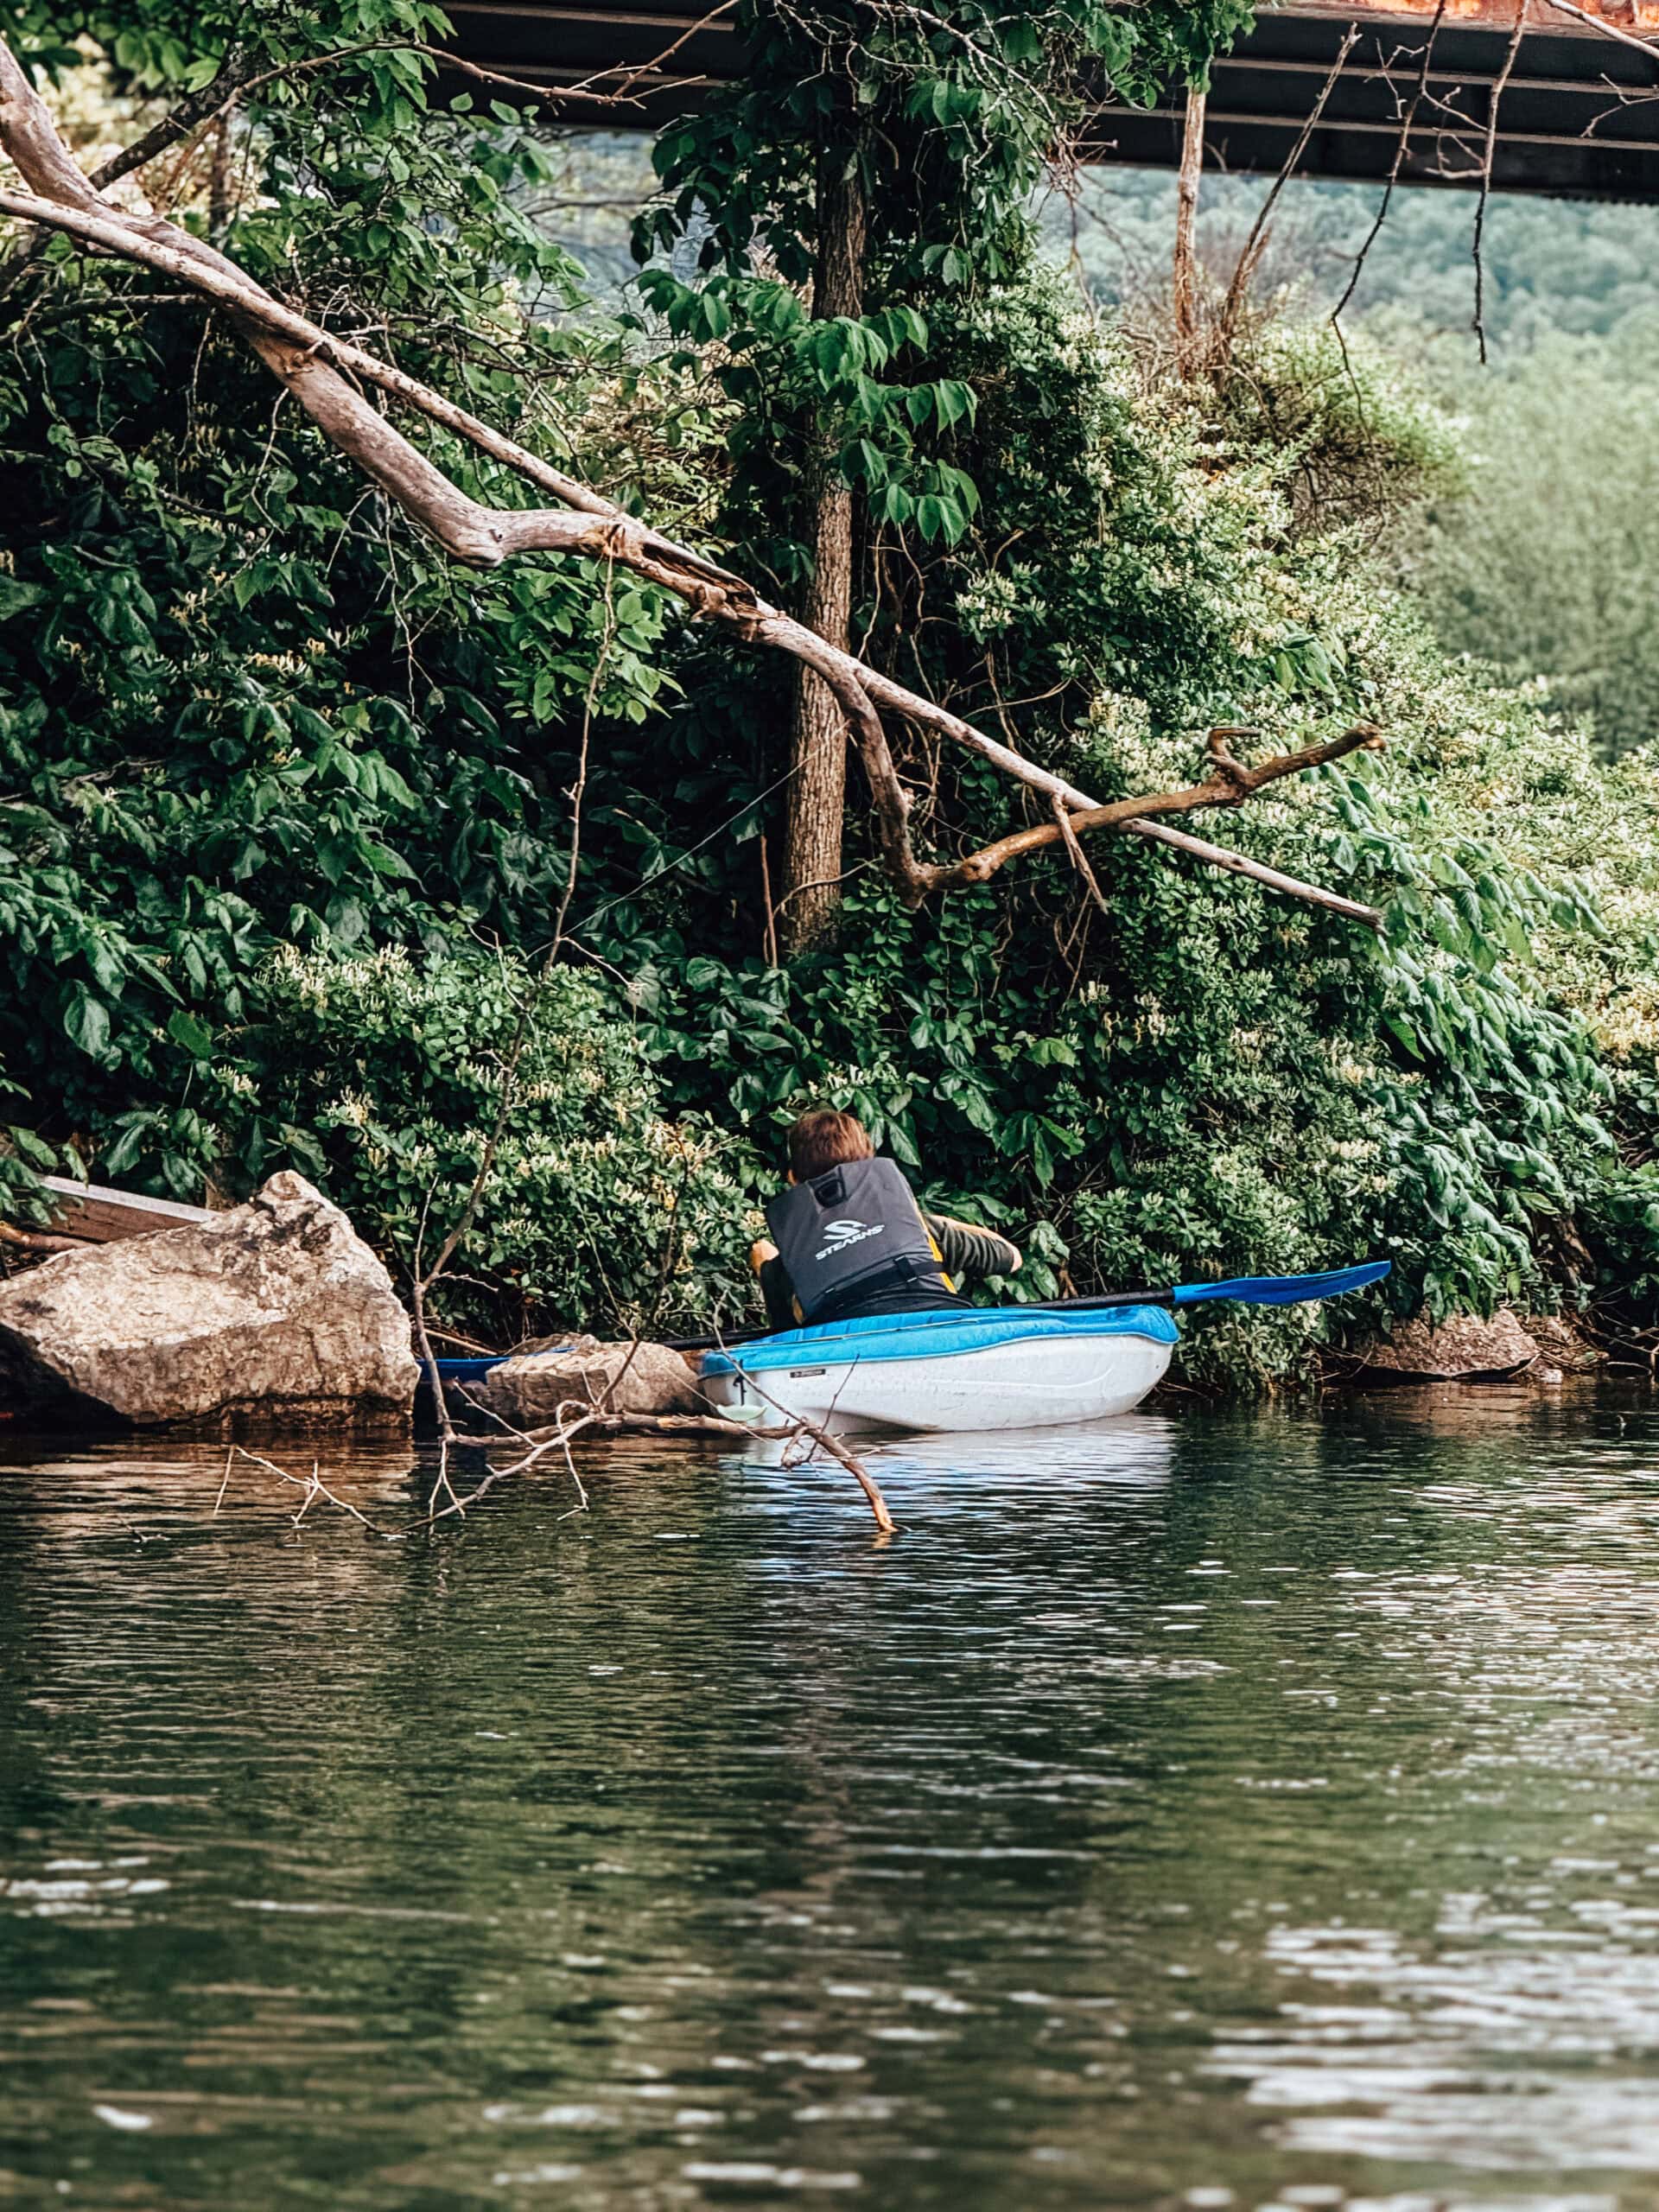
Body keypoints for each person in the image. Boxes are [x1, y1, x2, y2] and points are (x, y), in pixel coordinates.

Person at [751, 1107, 1022, 1332]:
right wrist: (931, 1221)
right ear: (870, 1162)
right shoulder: (921, 1230)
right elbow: (1011, 1257)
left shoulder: (783, 1270)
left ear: (793, 1178)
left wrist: (766, 1268)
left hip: (847, 1357)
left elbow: (784, 1334)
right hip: (940, 1331)